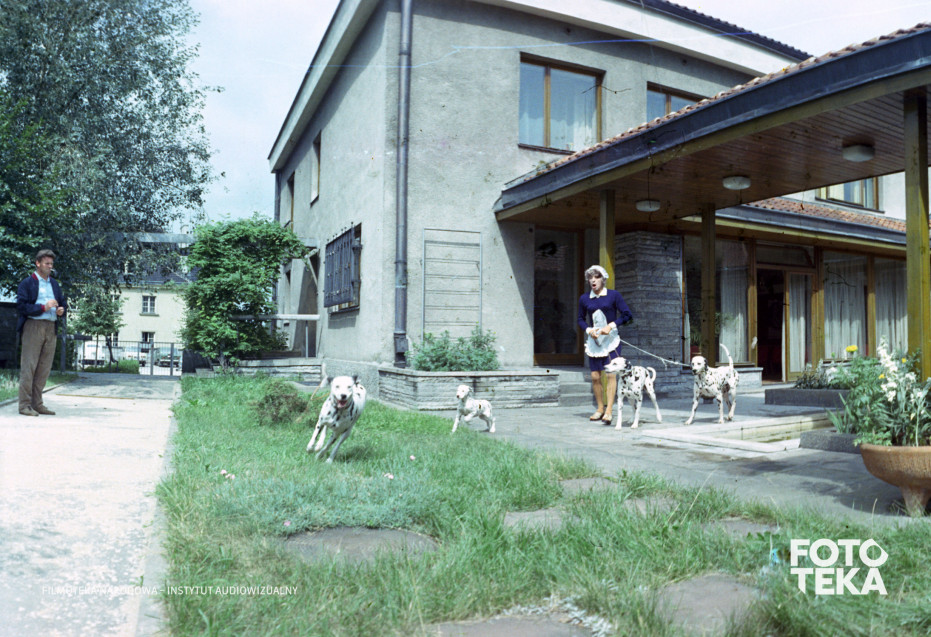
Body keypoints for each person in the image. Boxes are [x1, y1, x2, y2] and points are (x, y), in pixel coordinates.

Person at [577, 265, 633, 424]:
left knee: (610, 374)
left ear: (603, 279)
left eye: (597, 277)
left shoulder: (613, 295)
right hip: (595, 341)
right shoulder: (584, 298)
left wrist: (611, 326)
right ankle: (600, 408)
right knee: (595, 376)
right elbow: (580, 319)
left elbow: (627, 315)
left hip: (611, 341)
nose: (593, 280)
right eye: (590, 278)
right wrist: (589, 330)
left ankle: (609, 411)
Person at [17, 249, 67, 416]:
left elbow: (63, 303)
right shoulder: (27, 283)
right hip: (33, 326)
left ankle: (37, 404)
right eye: (47, 263)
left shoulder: (54, 284)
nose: (50, 266)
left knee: (44, 368)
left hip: (51, 328)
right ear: (37, 263)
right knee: (29, 367)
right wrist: (43, 307)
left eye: (51, 264)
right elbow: (22, 307)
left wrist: (61, 310)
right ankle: (24, 405)